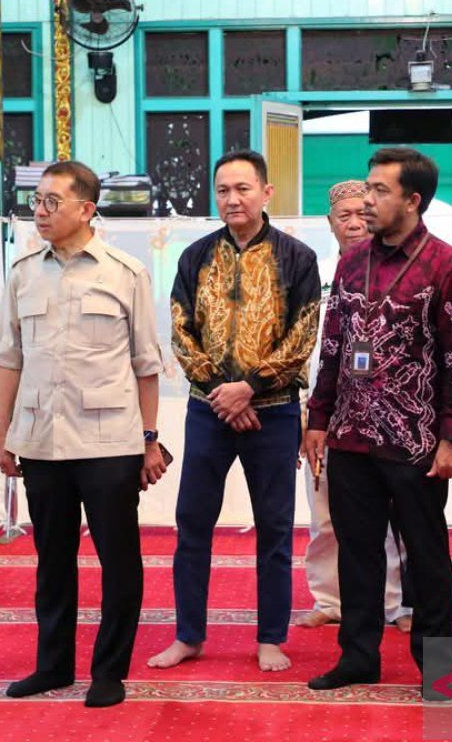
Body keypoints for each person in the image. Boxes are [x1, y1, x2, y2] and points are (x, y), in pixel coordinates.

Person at [303, 147, 452, 697]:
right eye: (367, 188)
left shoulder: (448, 266)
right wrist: (318, 418)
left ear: (413, 199)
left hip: (416, 441)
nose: (367, 200)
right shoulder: (352, 262)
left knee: (426, 554)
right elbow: (333, 345)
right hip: (352, 435)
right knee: (357, 551)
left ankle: (437, 668)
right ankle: (358, 656)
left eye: (380, 191)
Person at [0, 160, 166, 708]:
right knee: (52, 559)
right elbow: (8, 357)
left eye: (51, 202)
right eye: (36, 201)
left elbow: (146, 363)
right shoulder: (21, 272)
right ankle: (53, 665)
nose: (39, 212)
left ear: (87, 209)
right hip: (41, 438)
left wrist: (150, 438)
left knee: (119, 560)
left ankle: (109, 671)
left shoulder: (125, 272)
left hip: (109, 440)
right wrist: (3, 435)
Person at [148, 149, 321, 673]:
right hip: (208, 412)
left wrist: (249, 387)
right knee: (192, 523)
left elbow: (303, 335)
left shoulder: (298, 257)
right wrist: (223, 393)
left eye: (243, 188)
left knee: (274, 526)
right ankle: (188, 634)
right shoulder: (195, 256)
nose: (232, 199)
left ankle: (271, 636)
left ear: (267, 193)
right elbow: (180, 331)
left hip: (275, 414)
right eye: (223, 190)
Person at [296, 179, 412, 634]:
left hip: (386, 413)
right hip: (324, 415)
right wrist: (303, 411)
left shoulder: (396, 270)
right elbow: (303, 346)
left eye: (362, 215)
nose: (354, 224)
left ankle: (393, 603)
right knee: (323, 514)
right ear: (330, 224)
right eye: (343, 216)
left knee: (385, 516)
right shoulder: (315, 274)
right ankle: (329, 599)